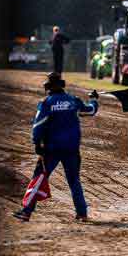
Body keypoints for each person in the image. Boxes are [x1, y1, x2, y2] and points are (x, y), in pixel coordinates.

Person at [14, 73, 99, 223]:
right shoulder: (73, 101)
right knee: (74, 180)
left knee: (39, 177)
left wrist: (37, 144)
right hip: (72, 149)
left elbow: (38, 126)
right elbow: (90, 110)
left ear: (48, 87)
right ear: (62, 85)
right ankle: (82, 213)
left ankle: (26, 212)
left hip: (51, 150)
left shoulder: (47, 103)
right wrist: (93, 99)